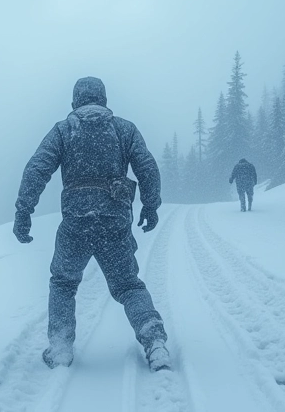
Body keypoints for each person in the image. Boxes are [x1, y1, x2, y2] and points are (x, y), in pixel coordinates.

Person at [13, 76, 170, 372]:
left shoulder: (64, 130)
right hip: (115, 221)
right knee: (128, 286)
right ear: (104, 100)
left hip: (76, 223)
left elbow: (37, 169)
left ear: (75, 102)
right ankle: (154, 340)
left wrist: (24, 211)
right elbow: (147, 167)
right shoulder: (124, 129)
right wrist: (150, 205)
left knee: (63, 282)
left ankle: (60, 348)